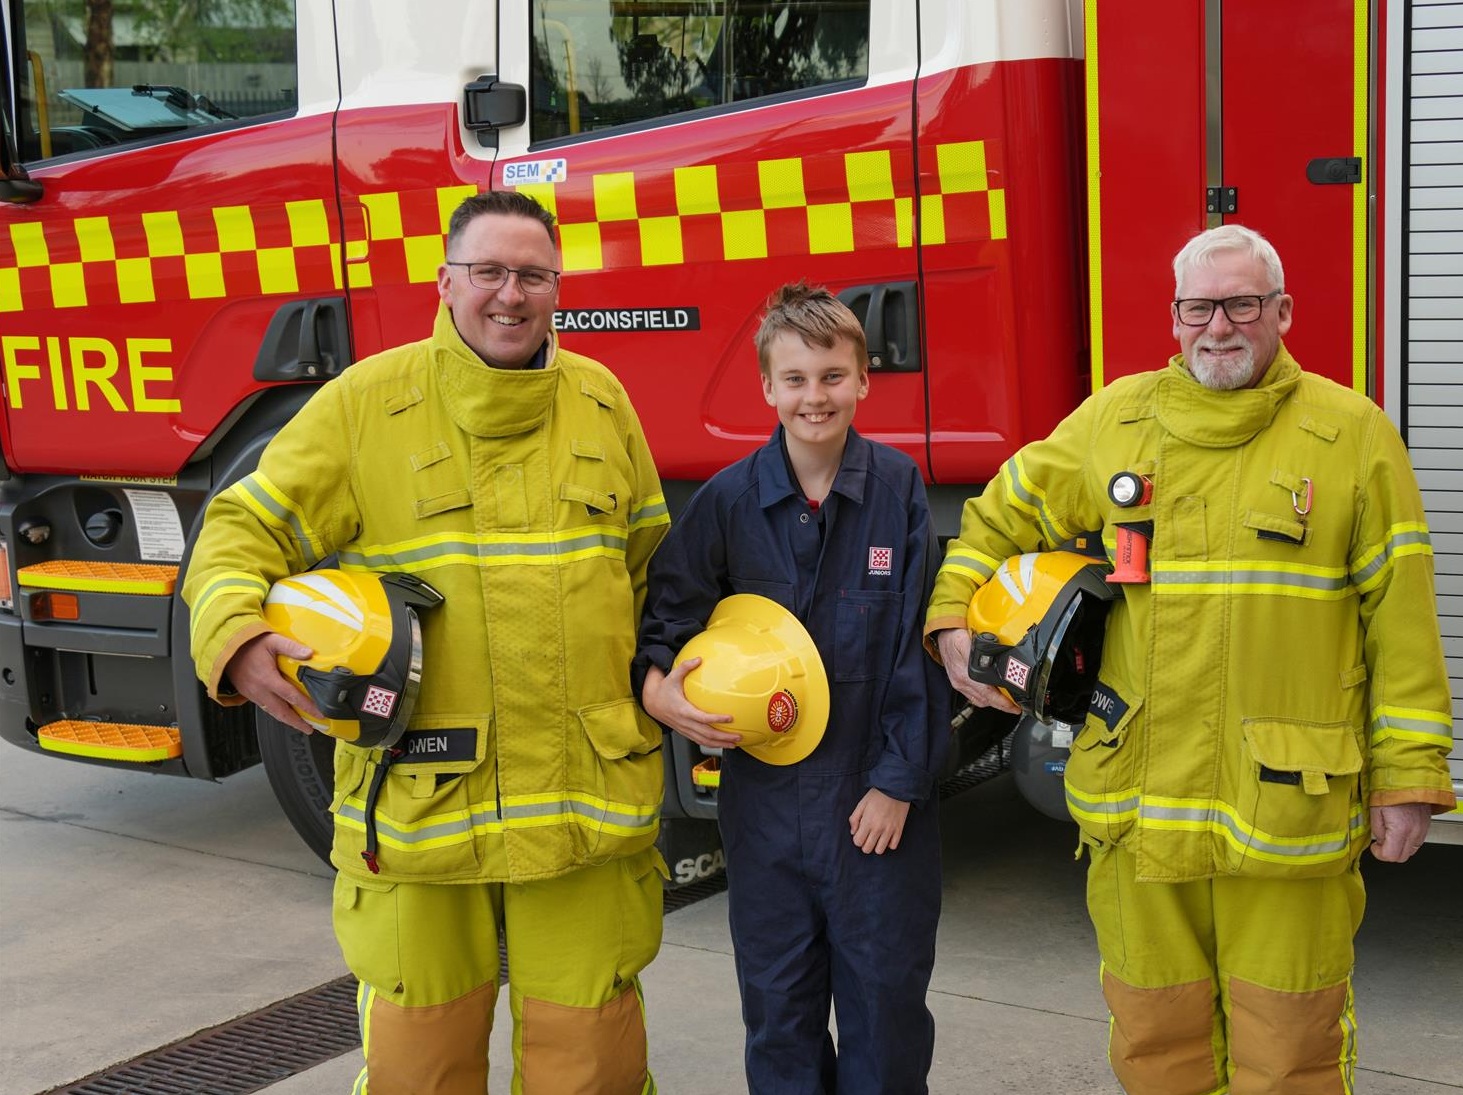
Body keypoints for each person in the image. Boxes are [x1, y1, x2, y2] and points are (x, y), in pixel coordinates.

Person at [926, 224, 1455, 1095]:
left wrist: (1409, 776)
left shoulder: (1353, 435)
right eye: (1199, 307)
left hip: (1284, 810)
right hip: (1137, 807)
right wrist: (953, 616)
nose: (1219, 326)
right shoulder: (1115, 421)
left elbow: (1402, 617)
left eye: (1242, 304)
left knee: (1290, 1051)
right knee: (1155, 1043)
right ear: (1174, 318)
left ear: (1282, 311)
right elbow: (996, 516)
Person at [182, 190, 671, 1095]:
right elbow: (241, 527)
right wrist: (236, 636)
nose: (510, 294)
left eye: (533, 275)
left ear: (558, 288)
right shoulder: (366, 403)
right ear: (445, 283)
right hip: (419, 809)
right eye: (489, 271)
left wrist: (673, 677)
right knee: (420, 1073)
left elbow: (651, 576)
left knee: (593, 1070)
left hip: (586, 806)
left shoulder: (602, 402)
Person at [634, 283, 947, 1094]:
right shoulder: (729, 501)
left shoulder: (898, 491)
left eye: (833, 376)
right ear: (768, 387)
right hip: (765, 808)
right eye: (797, 379)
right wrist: (659, 690)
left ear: (864, 380)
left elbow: (918, 647)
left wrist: (897, 782)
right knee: (779, 1014)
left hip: (873, 809)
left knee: (884, 1013)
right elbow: (668, 609)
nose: (816, 396)